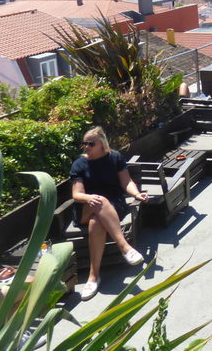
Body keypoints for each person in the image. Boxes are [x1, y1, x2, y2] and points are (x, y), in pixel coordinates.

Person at [70, 126, 147, 301]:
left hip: (113, 207)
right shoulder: (79, 164)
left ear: (102, 143)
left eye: (91, 143)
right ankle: (125, 247)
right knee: (100, 201)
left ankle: (93, 277)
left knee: (96, 222)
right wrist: (89, 197)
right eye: (84, 143)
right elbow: (76, 194)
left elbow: (126, 182)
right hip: (86, 207)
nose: (86, 146)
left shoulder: (114, 157)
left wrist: (136, 194)